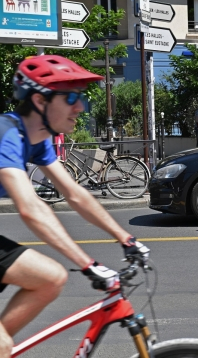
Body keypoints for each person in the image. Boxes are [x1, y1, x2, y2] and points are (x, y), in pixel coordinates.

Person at [0, 55, 149, 356]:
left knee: (51, 278)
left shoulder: (37, 138)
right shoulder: (6, 134)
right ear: (40, 101)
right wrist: (88, 264)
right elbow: (30, 207)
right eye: (70, 97)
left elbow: (74, 193)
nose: (79, 107)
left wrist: (126, 239)